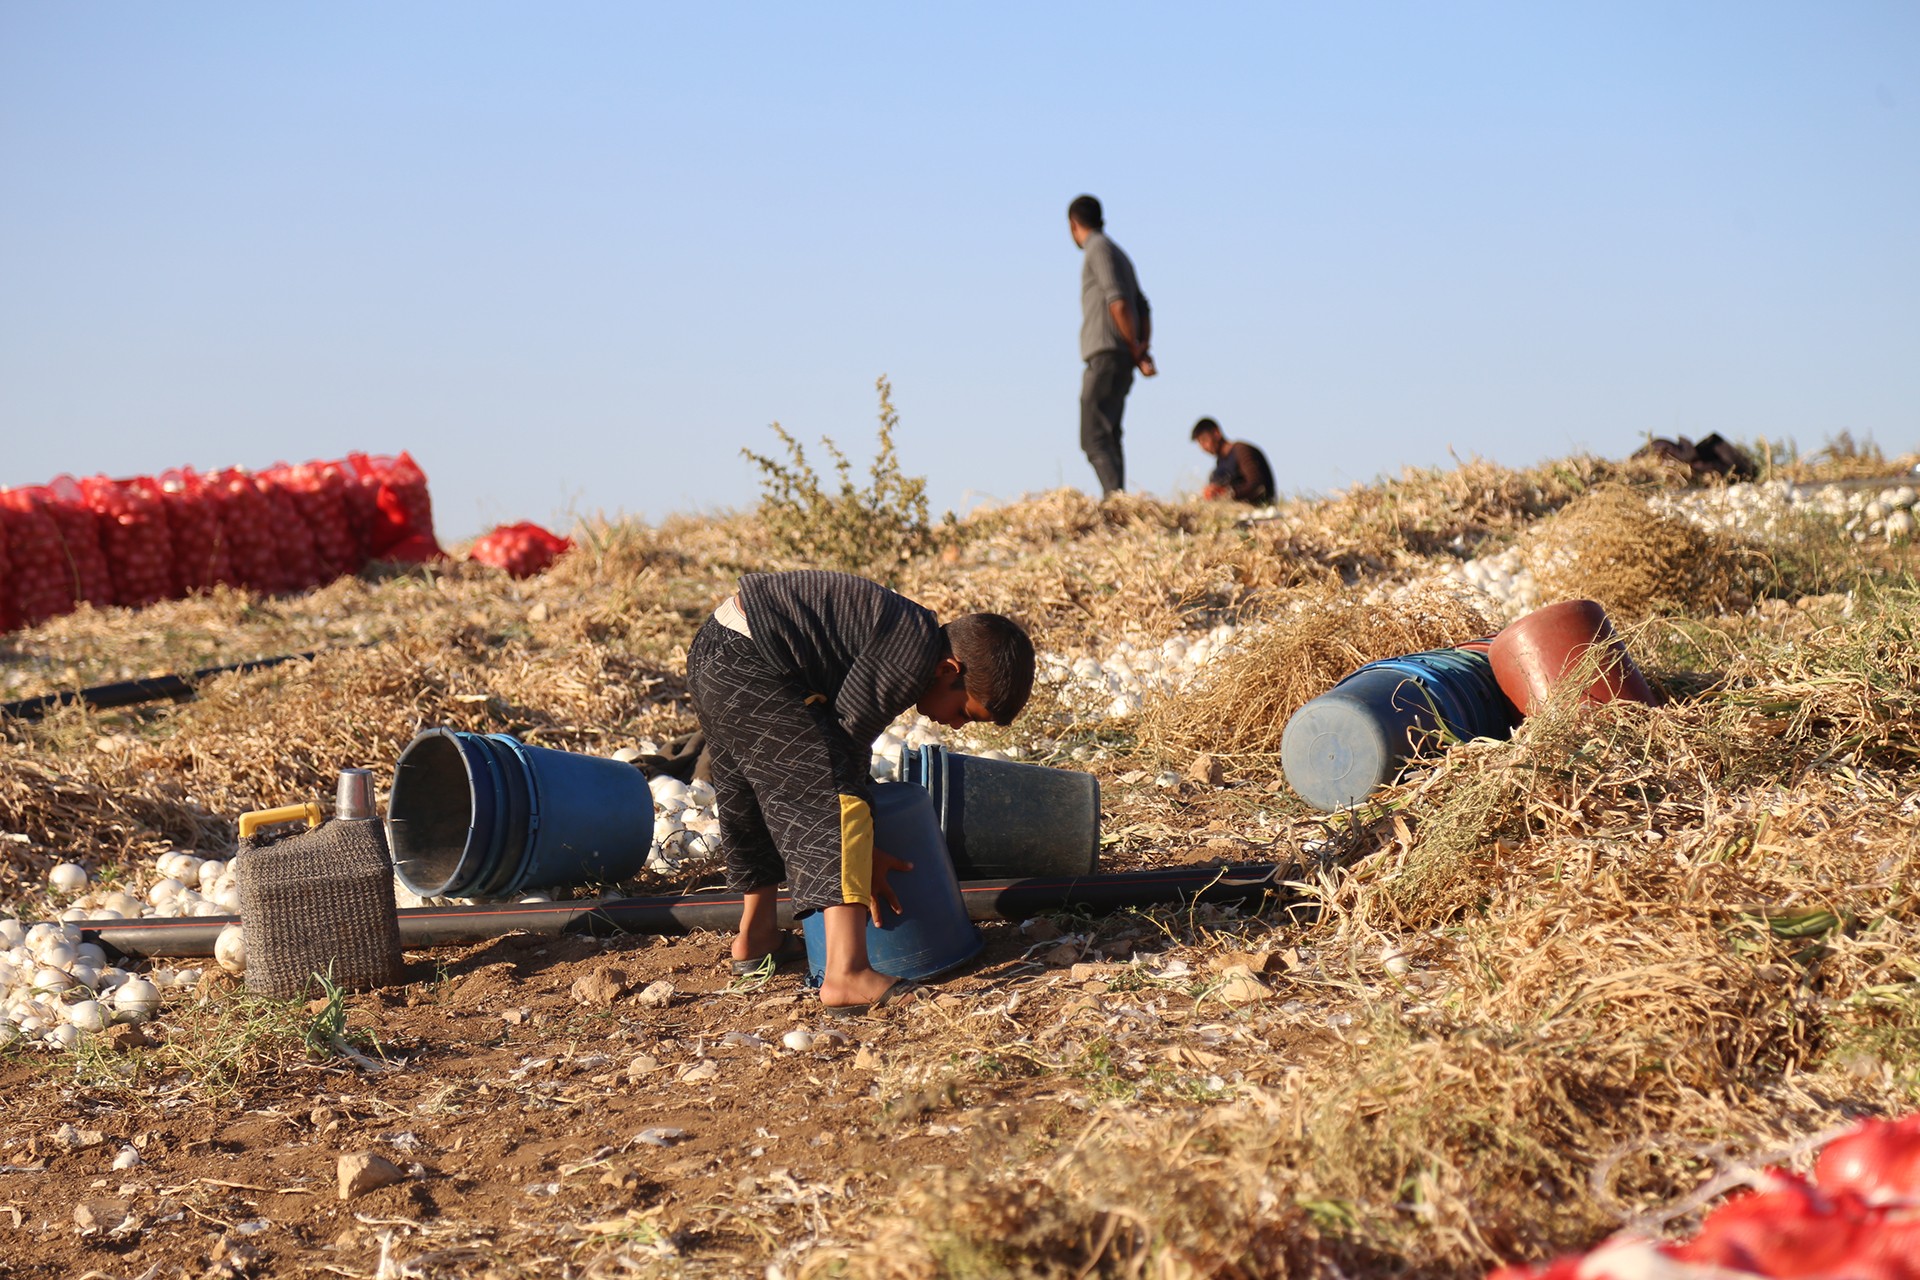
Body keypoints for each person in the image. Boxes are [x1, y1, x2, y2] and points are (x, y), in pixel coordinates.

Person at [685, 570, 1035, 1014]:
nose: (957, 724)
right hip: (753, 661)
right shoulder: (912, 652)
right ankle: (847, 973)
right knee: (829, 799)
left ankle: (756, 936)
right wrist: (860, 847)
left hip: (716, 647)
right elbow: (843, 752)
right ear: (950, 670)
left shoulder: (905, 633)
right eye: (967, 712)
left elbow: (832, 737)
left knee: (749, 796)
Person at [1069, 194, 1154, 497]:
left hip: (1107, 354)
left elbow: (1119, 303)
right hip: (1122, 355)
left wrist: (1135, 346)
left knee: (1092, 435)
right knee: (1110, 432)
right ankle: (1117, 498)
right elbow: (1143, 307)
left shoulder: (1098, 249)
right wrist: (1142, 348)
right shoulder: (1119, 253)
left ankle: (1114, 498)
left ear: (1073, 224)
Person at [1192, 417, 1275, 505]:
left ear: (1216, 433)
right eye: (1200, 444)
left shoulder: (1241, 451)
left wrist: (1226, 493)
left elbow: (1257, 486)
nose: (1203, 447)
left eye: (1204, 440)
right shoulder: (1219, 465)